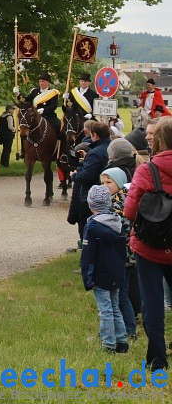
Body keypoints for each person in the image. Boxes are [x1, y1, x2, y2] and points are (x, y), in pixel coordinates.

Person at [124, 117, 172, 371]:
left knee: (152, 303)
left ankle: (157, 360)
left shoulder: (146, 169)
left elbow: (130, 211)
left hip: (150, 246)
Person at [80, 184, 129, 354]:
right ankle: (122, 340)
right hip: (116, 272)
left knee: (105, 310)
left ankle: (108, 344)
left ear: (90, 204)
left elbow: (88, 255)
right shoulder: (117, 223)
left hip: (101, 273)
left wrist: (87, 277)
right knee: (115, 307)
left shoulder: (92, 228)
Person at [102, 166, 139, 339]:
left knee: (122, 294)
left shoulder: (120, 203)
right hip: (123, 255)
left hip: (124, 255)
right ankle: (126, 327)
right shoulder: (115, 199)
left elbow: (122, 228)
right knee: (122, 292)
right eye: (102, 182)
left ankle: (130, 330)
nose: (105, 186)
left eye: (108, 182)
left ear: (118, 182)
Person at [68, 122, 112, 243]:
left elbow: (85, 176)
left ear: (95, 135)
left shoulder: (96, 152)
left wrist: (74, 175)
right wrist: (87, 159)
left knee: (86, 228)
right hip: (106, 192)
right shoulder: (109, 147)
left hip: (90, 195)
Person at [18, 72, 61, 140]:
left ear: (48, 82)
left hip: (48, 116)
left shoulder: (53, 93)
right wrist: (18, 95)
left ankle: (61, 146)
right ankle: (24, 149)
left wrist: (44, 110)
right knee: (24, 128)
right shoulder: (35, 91)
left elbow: (53, 106)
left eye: (43, 81)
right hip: (34, 116)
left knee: (59, 126)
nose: (41, 83)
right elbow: (26, 100)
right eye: (40, 81)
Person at [0, 104, 16, 169]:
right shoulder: (9, 116)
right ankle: (6, 164)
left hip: (2, 135)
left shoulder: (2, 116)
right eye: (12, 109)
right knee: (8, 150)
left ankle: (2, 163)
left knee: (4, 149)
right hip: (8, 135)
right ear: (9, 109)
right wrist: (15, 130)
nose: (13, 111)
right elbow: (10, 126)